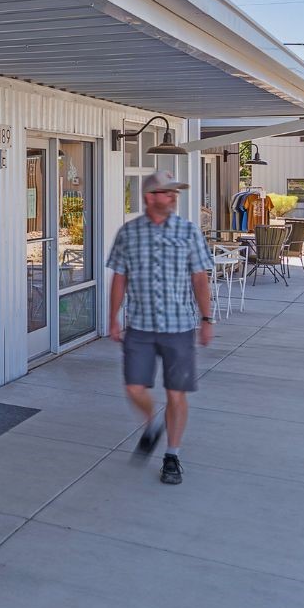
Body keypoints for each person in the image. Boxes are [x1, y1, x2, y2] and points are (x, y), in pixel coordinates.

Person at [106, 172, 214, 485]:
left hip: (178, 327)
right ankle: (152, 424)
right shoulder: (128, 233)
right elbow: (120, 278)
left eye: (174, 193)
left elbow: (200, 278)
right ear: (150, 197)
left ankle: (172, 455)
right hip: (140, 326)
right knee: (134, 388)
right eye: (167, 192)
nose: (173, 197)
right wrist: (113, 318)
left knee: (176, 394)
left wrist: (207, 319)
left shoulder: (188, 231)